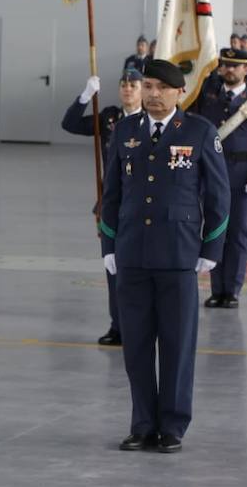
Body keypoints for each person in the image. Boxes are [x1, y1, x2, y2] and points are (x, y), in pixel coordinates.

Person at [100, 59, 230, 454]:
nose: (152, 94)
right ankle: (142, 424)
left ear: (179, 92)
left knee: (177, 344)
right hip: (133, 254)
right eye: (148, 86)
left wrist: (210, 249)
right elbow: (111, 196)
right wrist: (109, 246)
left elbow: (219, 196)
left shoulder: (200, 132)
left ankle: (172, 425)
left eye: (160, 88)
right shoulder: (125, 132)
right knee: (137, 346)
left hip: (178, 255)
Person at [62, 68, 145, 345]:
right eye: (124, 84)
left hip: (144, 204)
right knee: (113, 267)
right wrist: (85, 96)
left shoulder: (152, 120)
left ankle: (143, 327)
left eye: (133, 84)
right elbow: (70, 124)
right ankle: (118, 326)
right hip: (111, 203)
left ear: (143, 89)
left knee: (142, 268)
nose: (128, 89)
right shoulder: (109, 117)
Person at [191, 49, 247, 308]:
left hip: (241, 178)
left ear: (246, 70)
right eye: (226, 65)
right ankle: (217, 289)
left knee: (237, 233)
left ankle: (232, 290)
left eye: (235, 66)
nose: (229, 69)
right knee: (215, 231)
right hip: (212, 177)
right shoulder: (208, 100)